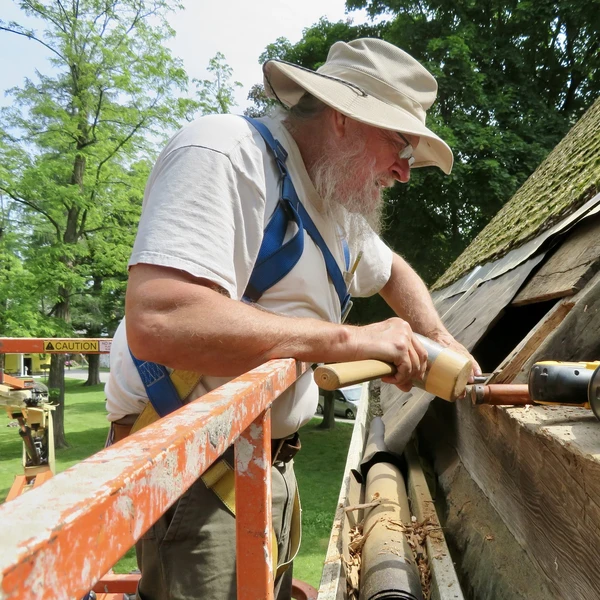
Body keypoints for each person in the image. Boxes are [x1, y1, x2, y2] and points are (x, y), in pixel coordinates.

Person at [105, 38, 480, 600]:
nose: (404, 171)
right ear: (345, 118)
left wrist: (444, 342)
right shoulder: (226, 153)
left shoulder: (334, 207)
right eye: (400, 143)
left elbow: (394, 271)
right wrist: (345, 340)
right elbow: (162, 318)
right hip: (197, 473)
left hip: (264, 463)